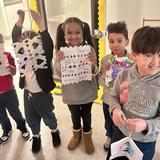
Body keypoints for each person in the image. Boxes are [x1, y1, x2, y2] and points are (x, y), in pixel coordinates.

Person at [106, 26, 160, 160]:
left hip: (145, 141)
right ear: (135, 55)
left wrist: (146, 125)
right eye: (148, 55)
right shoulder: (124, 75)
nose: (155, 61)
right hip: (120, 133)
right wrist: (115, 110)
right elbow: (113, 97)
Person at [11, 10, 61, 153]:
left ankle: (54, 131)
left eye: (31, 45)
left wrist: (41, 24)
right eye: (23, 45)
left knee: (48, 116)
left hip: (42, 94)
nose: (27, 48)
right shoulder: (22, 58)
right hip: (28, 94)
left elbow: (48, 44)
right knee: (30, 117)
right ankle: (36, 136)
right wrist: (20, 20)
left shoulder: (42, 59)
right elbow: (15, 37)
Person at [54, 17, 98, 154]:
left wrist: (92, 64)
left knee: (87, 116)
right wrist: (59, 62)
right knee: (74, 116)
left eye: (77, 32)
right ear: (65, 34)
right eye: (70, 33)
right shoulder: (61, 52)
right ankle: (76, 134)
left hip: (87, 93)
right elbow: (58, 75)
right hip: (70, 94)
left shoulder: (89, 49)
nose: (74, 36)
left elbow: (95, 71)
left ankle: (87, 136)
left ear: (83, 33)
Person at [99, 21, 133, 151]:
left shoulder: (132, 60)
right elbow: (101, 82)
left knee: (121, 123)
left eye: (119, 40)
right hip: (108, 99)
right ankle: (109, 136)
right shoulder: (106, 60)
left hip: (125, 101)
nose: (115, 44)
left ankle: (119, 139)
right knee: (109, 121)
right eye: (111, 41)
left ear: (127, 41)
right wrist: (105, 71)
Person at [0, 33, 30, 144]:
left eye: (0, 41)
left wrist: (9, 67)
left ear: (2, 42)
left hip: (9, 92)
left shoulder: (7, 55)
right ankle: (6, 130)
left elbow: (14, 72)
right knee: (1, 116)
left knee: (15, 112)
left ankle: (22, 127)